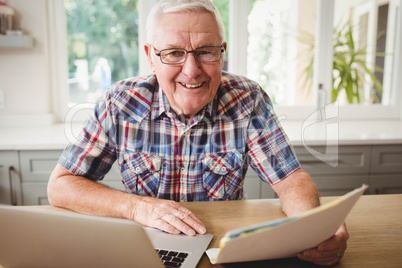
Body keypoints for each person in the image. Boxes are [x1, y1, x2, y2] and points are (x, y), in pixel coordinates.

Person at [48, 0, 348, 266]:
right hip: (148, 252)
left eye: (206, 52)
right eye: (174, 53)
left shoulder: (248, 98)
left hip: (224, 251)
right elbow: (60, 186)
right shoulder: (120, 101)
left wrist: (315, 229)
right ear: (151, 56)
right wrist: (135, 207)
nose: (191, 70)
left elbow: (290, 180)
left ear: (222, 53)